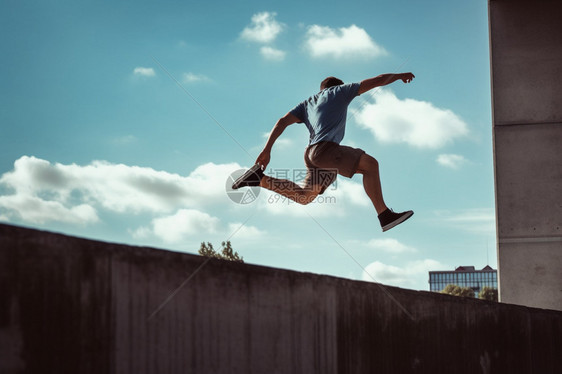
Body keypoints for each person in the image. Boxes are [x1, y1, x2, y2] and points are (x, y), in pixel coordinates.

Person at [232, 73, 415, 232]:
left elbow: (281, 122)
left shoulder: (307, 103)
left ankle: (259, 179)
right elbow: (379, 80)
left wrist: (266, 150)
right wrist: (399, 75)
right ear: (338, 86)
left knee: (305, 197)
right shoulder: (340, 92)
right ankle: (384, 215)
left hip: (311, 154)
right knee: (371, 165)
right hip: (326, 150)